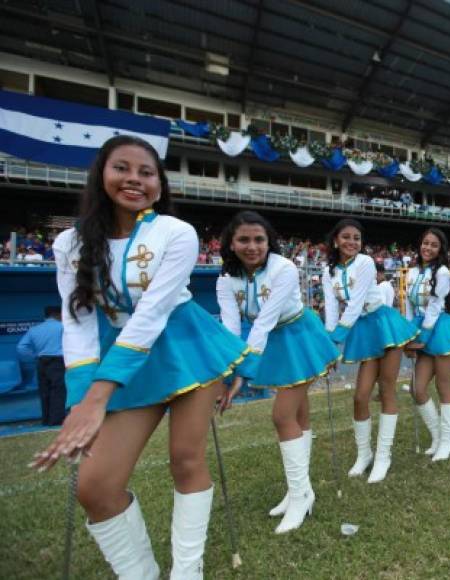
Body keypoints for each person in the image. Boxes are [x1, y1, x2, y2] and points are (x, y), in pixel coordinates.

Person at [29, 135, 251, 579]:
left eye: (146, 172)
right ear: (101, 175)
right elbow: (78, 323)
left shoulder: (176, 233)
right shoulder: (68, 244)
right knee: (95, 487)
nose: (134, 179)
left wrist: (99, 398)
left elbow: (152, 315)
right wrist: (81, 401)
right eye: (122, 168)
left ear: (159, 183)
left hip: (183, 347)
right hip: (122, 360)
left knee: (185, 459)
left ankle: (188, 573)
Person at [216, 210, 339, 534]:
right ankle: (301, 490)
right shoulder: (225, 279)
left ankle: (300, 496)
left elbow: (264, 321)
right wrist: (228, 376)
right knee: (297, 415)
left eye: (259, 239)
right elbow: (230, 328)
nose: (252, 246)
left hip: (299, 336)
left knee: (282, 416)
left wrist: (243, 373)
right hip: (272, 340)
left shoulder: (283, 268)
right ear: (231, 243)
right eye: (243, 239)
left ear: (269, 241)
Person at [322, 218, 418, 483]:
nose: (352, 242)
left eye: (357, 238)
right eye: (346, 237)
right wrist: (329, 343)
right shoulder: (327, 271)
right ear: (335, 241)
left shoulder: (364, 262)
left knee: (386, 389)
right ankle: (364, 454)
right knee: (360, 396)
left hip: (383, 324)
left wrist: (338, 338)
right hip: (363, 330)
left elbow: (354, 304)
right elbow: (331, 308)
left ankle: (383, 456)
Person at [404, 228, 450, 462]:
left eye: (434, 245)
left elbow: (435, 304)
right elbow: (408, 305)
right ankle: (438, 435)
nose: (428, 248)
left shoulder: (441, 271)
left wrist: (423, 336)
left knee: (443, 386)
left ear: (440, 249)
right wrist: (409, 336)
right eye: (425, 243)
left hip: (440, 329)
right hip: (420, 330)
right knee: (417, 388)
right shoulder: (411, 272)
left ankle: (448, 440)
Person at [17, 305, 66, 425]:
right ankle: (56, 420)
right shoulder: (63, 327)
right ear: (58, 314)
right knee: (58, 391)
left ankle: (46, 420)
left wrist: (34, 356)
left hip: (41, 362)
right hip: (58, 362)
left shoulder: (34, 329)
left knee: (45, 391)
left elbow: (21, 347)